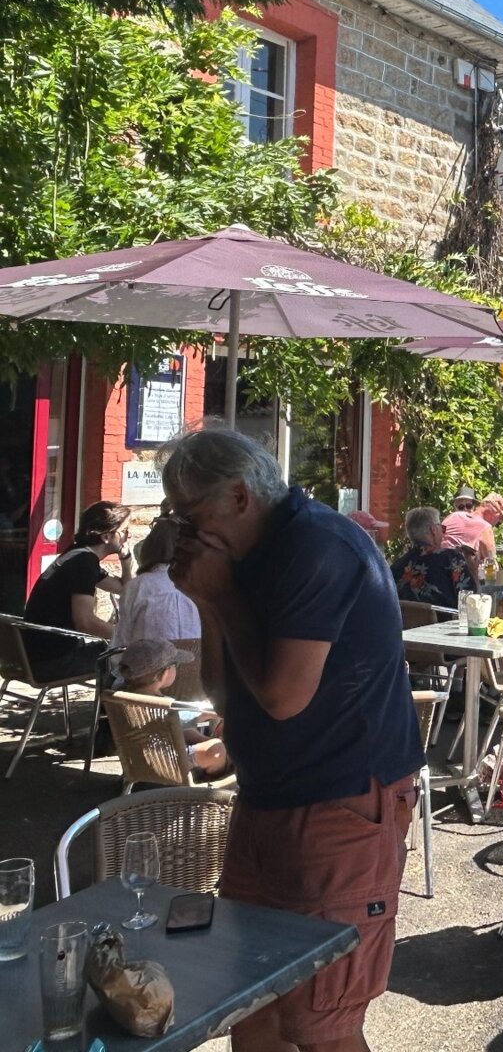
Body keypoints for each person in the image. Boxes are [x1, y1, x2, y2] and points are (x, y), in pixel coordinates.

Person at [160, 428, 423, 1052]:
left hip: (338, 804)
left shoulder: (316, 547)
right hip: (266, 800)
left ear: (239, 496)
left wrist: (220, 591)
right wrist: (205, 599)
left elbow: (281, 697)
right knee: (251, 1007)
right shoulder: (245, 556)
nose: (184, 533)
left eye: (189, 516)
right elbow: (226, 696)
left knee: (320, 1023)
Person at [23, 501, 134, 678]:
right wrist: (130, 636)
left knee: (119, 651)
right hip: (52, 661)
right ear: (106, 536)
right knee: (131, 658)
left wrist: (126, 562)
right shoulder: (83, 563)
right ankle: (118, 706)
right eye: (124, 531)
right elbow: (85, 623)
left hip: (33, 657)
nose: (128, 536)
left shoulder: (78, 555)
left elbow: (124, 590)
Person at [113, 637, 228, 778]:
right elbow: (191, 715)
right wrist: (212, 710)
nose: (176, 668)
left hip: (141, 757)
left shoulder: (122, 694)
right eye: (175, 665)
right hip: (168, 761)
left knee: (193, 734)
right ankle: (210, 780)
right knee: (217, 750)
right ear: (164, 674)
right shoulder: (157, 706)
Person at [112, 516, 201, 650]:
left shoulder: (138, 586)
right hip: (195, 664)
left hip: (151, 665)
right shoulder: (200, 586)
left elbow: (122, 642)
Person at [391, 506, 476, 611]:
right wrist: (473, 569)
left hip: (408, 627)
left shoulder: (397, 566)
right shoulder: (452, 559)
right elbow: (471, 601)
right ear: (433, 530)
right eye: (442, 528)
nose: (443, 534)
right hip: (445, 625)